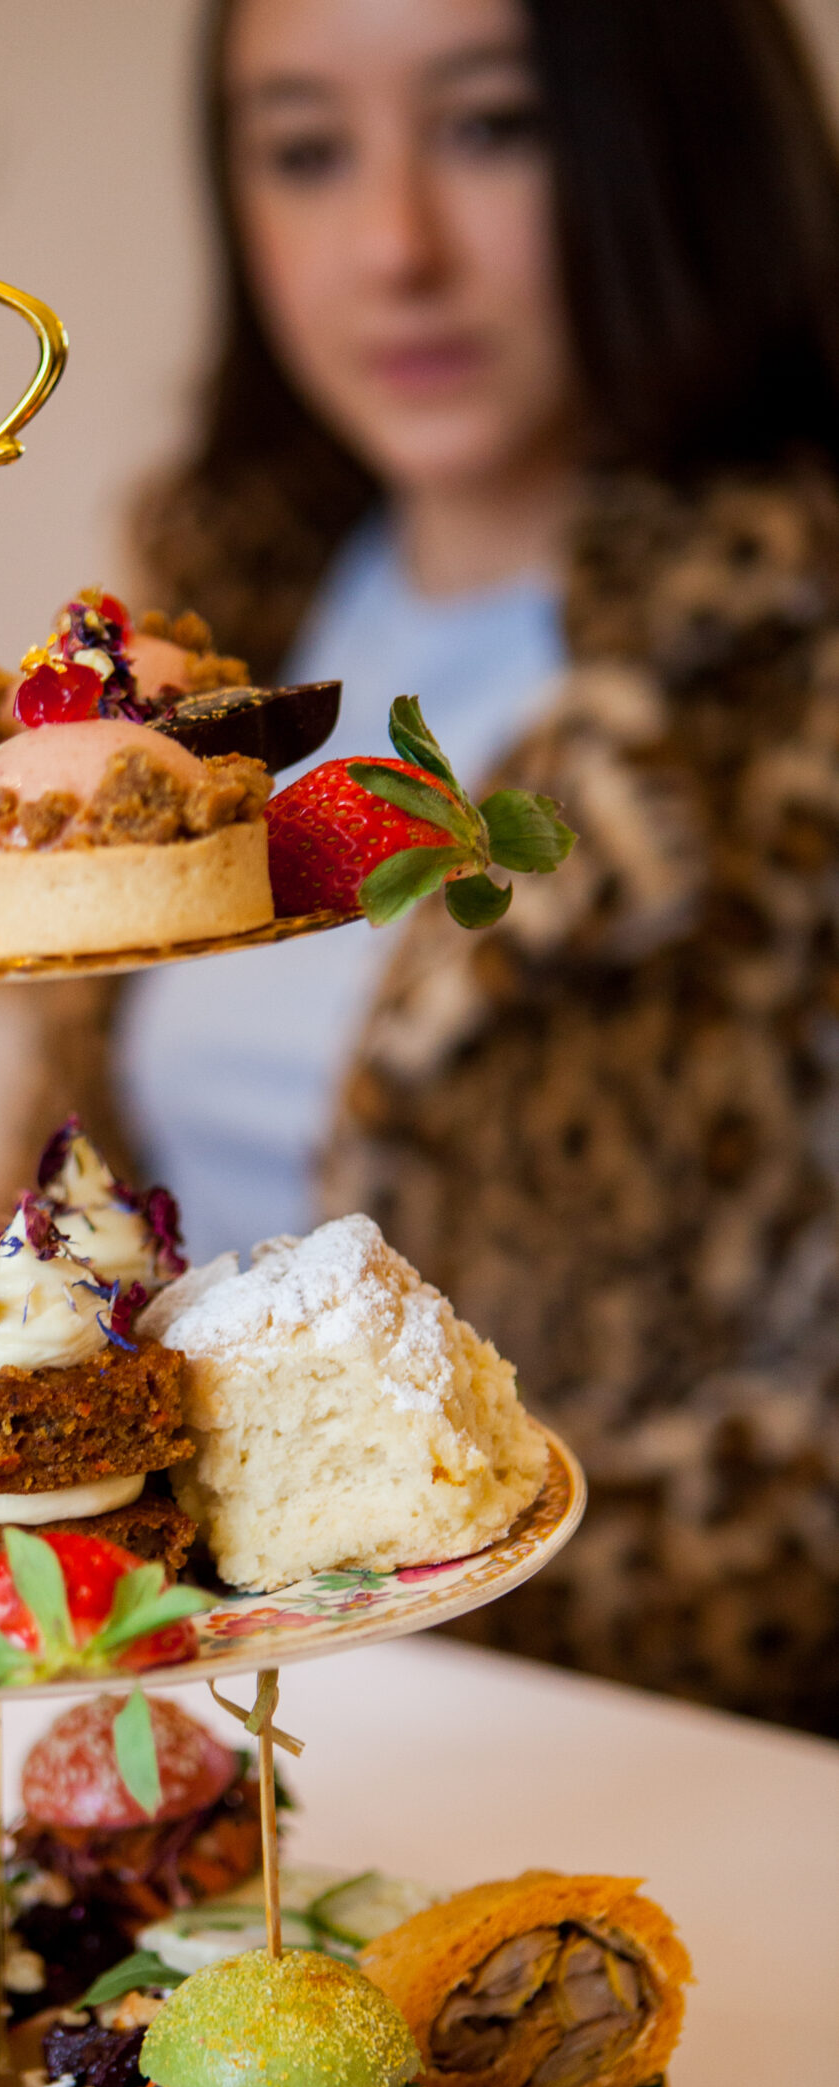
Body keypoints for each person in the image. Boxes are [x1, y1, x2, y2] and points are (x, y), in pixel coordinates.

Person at [118, 0, 839, 1730]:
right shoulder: (214, 644)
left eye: (492, 126)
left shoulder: (788, 682)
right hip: (193, 1707)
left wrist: (400, 1609)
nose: (394, 246)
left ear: (670, 142)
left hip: (633, 1747)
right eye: (305, 148)